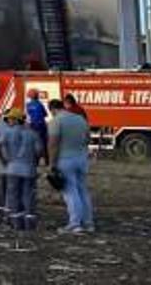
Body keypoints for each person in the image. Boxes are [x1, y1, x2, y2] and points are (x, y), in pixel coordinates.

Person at [49, 98, 95, 233]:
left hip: (65, 159)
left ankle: (75, 224)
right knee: (83, 191)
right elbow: (87, 139)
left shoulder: (56, 121)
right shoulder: (80, 119)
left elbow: (53, 144)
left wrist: (52, 164)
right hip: (81, 159)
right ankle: (88, 223)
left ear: (52, 109)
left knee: (70, 192)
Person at [0, 108, 41, 230]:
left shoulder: (7, 133)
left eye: (10, 118)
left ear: (16, 120)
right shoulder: (33, 134)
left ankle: (16, 223)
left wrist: (4, 160)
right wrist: (34, 162)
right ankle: (29, 224)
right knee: (28, 196)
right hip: (29, 169)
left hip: (12, 169)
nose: (8, 121)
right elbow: (39, 151)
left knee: (14, 197)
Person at [25, 90, 50, 166]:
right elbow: (45, 114)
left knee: (34, 144)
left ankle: (35, 161)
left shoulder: (28, 105)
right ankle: (47, 161)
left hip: (33, 126)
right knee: (44, 144)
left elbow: (29, 115)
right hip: (41, 126)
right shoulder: (40, 104)